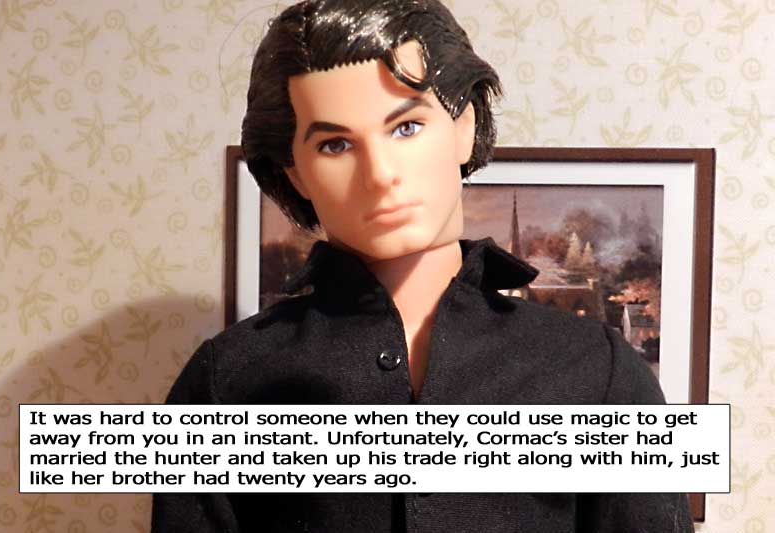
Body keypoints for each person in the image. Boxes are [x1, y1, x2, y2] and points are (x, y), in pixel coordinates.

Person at [152, 1, 695, 531]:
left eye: (406, 127)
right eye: (335, 144)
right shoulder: (227, 380)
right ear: (296, 173)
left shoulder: (595, 370)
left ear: (463, 127)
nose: (379, 174)